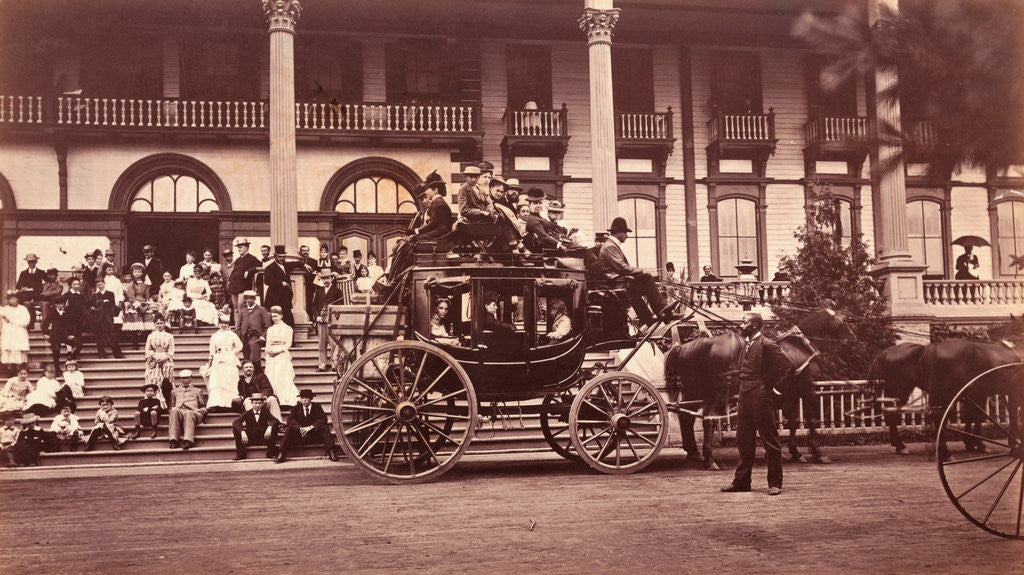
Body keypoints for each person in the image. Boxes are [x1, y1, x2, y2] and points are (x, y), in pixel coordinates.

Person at [721, 312, 793, 496]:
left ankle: (775, 483)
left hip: (761, 396)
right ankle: (742, 482)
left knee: (770, 441)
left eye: (745, 322)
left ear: (754, 325)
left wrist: (776, 391)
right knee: (743, 441)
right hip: (745, 396)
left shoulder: (767, 345)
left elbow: (788, 367)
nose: (741, 324)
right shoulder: (746, 345)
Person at [599, 217, 673, 326]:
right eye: (625, 233)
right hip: (617, 284)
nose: (627, 236)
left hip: (620, 282)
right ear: (619, 232)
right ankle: (661, 310)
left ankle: (648, 318)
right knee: (647, 278)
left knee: (635, 292)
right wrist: (641, 270)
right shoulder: (610, 247)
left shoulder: (611, 246)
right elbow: (622, 268)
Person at [276, 389, 339, 463]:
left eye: (307, 398)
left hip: (313, 436)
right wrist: (300, 428)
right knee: (289, 429)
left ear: (311, 399)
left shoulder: (317, 407)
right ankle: (282, 453)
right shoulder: (296, 408)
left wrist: (311, 427)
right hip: (300, 436)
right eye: (302, 398)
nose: (304, 400)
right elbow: (290, 420)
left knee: (325, 428)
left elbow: (323, 419)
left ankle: (331, 451)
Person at [205, 314, 243, 412]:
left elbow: (240, 346)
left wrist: (231, 352)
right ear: (219, 324)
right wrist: (211, 359)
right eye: (222, 323)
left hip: (229, 359)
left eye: (226, 323)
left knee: (228, 380)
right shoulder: (214, 336)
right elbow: (211, 350)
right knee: (217, 382)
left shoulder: (232, 334)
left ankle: (228, 404)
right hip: (218, 359)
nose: (224, 325)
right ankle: (217, 403)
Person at [265, 306, 300, 408]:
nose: (274, 318)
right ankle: (275, 400)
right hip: (271, 355)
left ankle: (286, 400)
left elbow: (288, 344)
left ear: (281, 315)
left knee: (282, 377)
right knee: (272, 376)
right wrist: (268, 351)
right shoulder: (270, 329)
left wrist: (279, 351)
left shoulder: (288, 328)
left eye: (276, 316)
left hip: (281, 355)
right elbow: (267, 343)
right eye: (272, 317)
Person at [232, 393, 280, 461]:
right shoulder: (247, 413)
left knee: (274, 427)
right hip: (250, 439)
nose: (257, 405)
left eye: (259, 403)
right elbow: (236, 422)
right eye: (255, 403)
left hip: (264, 438)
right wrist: (242, 431)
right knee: (235, 429)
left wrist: (270, 427)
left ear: (263, 403)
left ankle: (271, 453)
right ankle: (241, 454)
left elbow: (275, 420)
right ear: (252, 403)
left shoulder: (265, 412)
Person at [312, 268, 343, 372]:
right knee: (321, 344)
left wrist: (332, 317)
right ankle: (322, 364)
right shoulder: (318, 291)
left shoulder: (338, 291)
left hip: (332, 323)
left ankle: (335, 365)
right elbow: (314, 306)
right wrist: (317, 317)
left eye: (328, 278)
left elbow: (340, 307)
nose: (326, 280)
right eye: (324, 278)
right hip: (321, 322)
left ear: (331, 278)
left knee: (334, 344)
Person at [167, 370, 206, 450]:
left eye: (187, 378)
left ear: (191, 378)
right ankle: (174, 440)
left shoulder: (197, 391)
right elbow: (172, 405)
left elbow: (202, 404)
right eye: (183, 378)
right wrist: (172, 409)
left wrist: (203, 408)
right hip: (179, 411)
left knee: (188, 413)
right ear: (180, 379)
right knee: (174, 410)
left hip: (193, 412)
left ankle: (188, 441)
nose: (185, 380)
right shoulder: (174, 391)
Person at [41, 296, 83, 368]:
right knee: (56, 352)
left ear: (64, 304)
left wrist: (71, 334)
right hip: (55, 336)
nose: (60, 305)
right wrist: (45, 333)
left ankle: (71, 359)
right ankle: (57, 369)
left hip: (65, 336)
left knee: (79, 344)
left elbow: (73, 325)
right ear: (55, 305)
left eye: (62, 304)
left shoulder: (67, 313)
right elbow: (45, 324)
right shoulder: (52, 312)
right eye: (58, 304)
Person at [144, 317, 175, 408]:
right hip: (154, 359)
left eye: (161, 323)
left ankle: (168, 403)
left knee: (167, 381)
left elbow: (171, 349)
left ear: (164, 324)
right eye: (157, 323)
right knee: (155, 381)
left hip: (166, 359)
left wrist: (166, 357)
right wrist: (154, 356)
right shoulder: (151, 336)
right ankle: (156, 404)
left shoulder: (169, 336)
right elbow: (148, 349)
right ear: (154, 325)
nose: (159, 325)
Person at [89, 278, 124, 359]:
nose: (100, 286)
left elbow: (111, 304)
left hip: (108, 317)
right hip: (99, 318)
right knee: (99, 336)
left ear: (104, 284)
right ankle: (101, 354)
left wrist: (101, 303)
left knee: (112, 335)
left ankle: (117, 354)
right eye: (98, 285)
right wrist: (101, 303)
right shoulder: (95, 295)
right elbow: (94, 305)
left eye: (101, 284)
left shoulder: (110, 293)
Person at [236, 290, 272, 366]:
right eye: (247, 298)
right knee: (246, 360)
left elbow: (267, 326)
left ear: (255, 299)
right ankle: (248, 377)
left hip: (256, 337)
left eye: (251, 298)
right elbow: (238, 326)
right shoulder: (243, 311)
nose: (249, 300)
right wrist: (239, 337)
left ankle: (258, 376)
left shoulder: (261, 310)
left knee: (255, 359)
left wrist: (263, 336)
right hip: (244, 338)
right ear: (245, 299)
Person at [123, 263, 153, 349]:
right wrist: (138, 306)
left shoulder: (146, 285)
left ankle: (148, 344)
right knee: (135, 325)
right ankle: (135, 344)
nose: (137, 273)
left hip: (144, 304)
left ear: (142, 273)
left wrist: (146, 305)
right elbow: (131, 296)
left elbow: (147, 296)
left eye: (138, 271)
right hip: (135, 304)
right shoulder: (131, 285)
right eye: (135, 271)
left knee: (148, 324)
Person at [262, 247, 294, 327]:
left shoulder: (286, 265)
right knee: (275, 322)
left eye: (283, 256)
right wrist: (280, 283)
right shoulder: (270, 268)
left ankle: (289, 339)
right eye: (279, 256)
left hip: (285, 300)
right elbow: (267, 281)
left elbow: (295, 263)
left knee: (289, 323)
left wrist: (304, 264)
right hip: (274, 299)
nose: (282, 258)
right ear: (275, 257)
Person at [228, 239, 261, 312]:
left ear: (247, 247)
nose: (239, 249)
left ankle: (243, 323)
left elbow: (260, 266)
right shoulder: (237, 260)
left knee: (241, 307)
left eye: (241, 247)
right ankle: (237, 323)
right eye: (238, 247)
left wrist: (249, 271)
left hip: (243, 288)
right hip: (234, 287)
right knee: (235, 308)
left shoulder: (252, 258)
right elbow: (234, 272)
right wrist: (229, 281)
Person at [1, 291, 31, 370]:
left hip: (19, 332)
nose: (13, 301)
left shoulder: (23, 309)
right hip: (9, 332)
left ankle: (19, 367)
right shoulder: (6, 309)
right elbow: (3, 320)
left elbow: (26, 321)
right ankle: (10, 368)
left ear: (18, 299)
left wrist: (14, 322)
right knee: (9, 349)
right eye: (11, 299)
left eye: (15, 298)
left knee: (18, 349)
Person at [16, 253, 45, 329]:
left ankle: (44, 327)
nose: (31, 263)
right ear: (27, 262)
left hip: (39, 297)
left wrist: (40, 288)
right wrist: (22, 288)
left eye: (33, 261)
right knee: (26, 304)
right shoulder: (23, 273)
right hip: (27, 297)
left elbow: (47, 283)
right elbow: (18, 285)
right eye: (29, 262)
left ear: (36, 262)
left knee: (44, 304)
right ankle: (30, 325)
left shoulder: (41, 272)